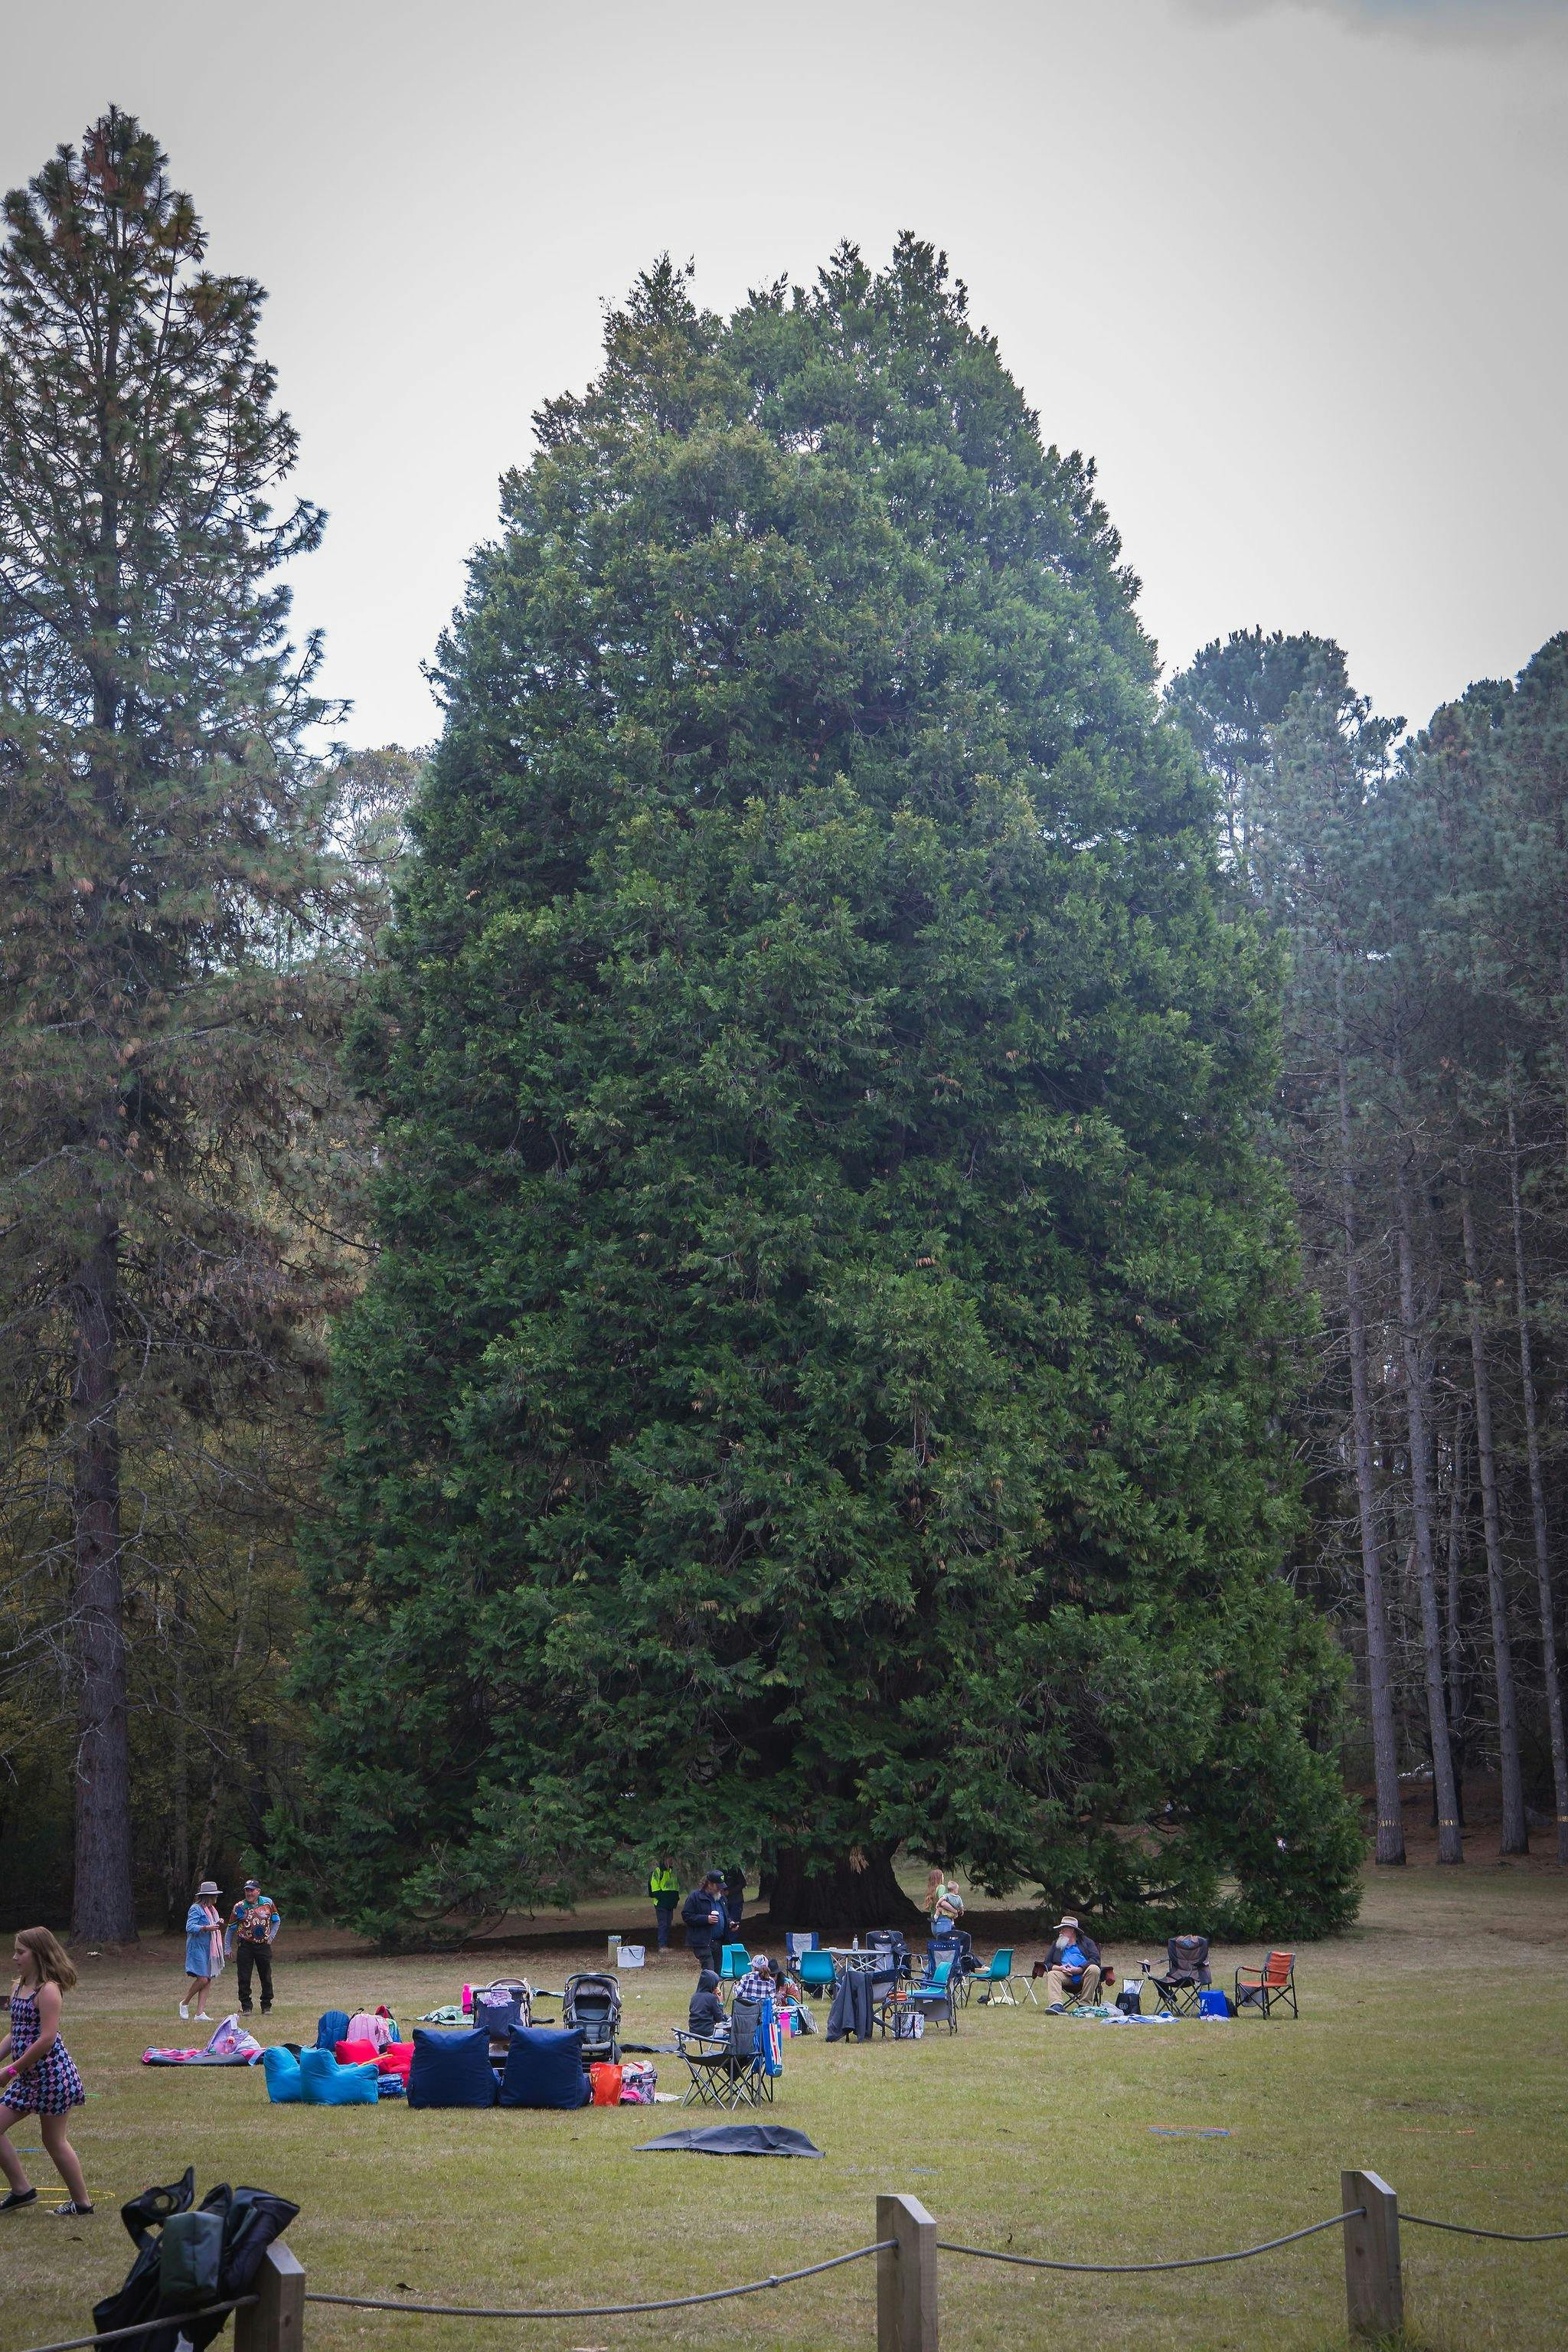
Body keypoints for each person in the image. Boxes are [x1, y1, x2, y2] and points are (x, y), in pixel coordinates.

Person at [1, 1926, 92, 2216]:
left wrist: (10, 2070)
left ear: (38, 1955)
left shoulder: (48, 1990)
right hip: (28, 2077)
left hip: (52, 2076)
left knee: (53, 2141)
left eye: (20, 1952)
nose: (15, 1957)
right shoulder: (18, 1986)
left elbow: (46, 2038)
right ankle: (22, 2191)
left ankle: (82, 2205)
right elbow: (16, 2032)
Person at [225, 1879, 280, 2016]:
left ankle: (266, 2005)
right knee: (244, 1976)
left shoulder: (268, 1903)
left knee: (266, 1975)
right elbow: (231, 1928)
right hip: (245, 1945)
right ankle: (246, 2006)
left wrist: (271, 1937)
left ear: (258, 1891)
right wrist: (227, 1947)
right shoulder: (239, 1907)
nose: (249, 1893)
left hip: (263, 1945)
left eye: (251, 1890)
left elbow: (276, 1920)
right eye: (246, 1890)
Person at [1042, 1913, 1106, 2011]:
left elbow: (1096, 1960)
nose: (1060, 1932)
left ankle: (1084, 2006)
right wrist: (1060, 1968)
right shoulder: (1057, 1944)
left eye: (1063, 1929)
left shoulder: (1087, 1942)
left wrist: (1078, 1969)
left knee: (1094, 1969)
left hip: (1084, 1976)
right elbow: (1047, 1963)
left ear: (1072, 1930)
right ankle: (1057, 2006)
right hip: (1066, 1977)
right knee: (1052, 1974)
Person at [181, 1880, 224, 2020]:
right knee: (203, 1979)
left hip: (209, 1948)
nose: (216, 1897)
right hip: (197, 1947)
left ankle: (200, 2013)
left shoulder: (212, 1910)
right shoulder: (196, 1909)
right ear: (208, 1896)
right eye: (214, 1895)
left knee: (208, 1978)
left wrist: (218, 1924)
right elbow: (190, 1927)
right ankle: (185, 2002)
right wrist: (206, 1928)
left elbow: (211, 1925)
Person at [681, 1872, 727, 1971]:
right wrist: (706, 1919)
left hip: (718, 1942)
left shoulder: (721, 1898)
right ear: (709, 1884)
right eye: (718, 1886)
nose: (720, 1889)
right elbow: (686, 1916)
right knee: (709, 1971)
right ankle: (707, 1987)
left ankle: (711, 1988)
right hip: (703, 1942)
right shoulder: (695, 1897)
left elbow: (725, 1915)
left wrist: (730, 1923)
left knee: (717, 1974)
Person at [648, 1858, 680, 1953]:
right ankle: (662, 1946)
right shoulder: (658, 1871)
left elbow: (675, 1886)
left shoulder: (673, 1871)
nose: (672, 1860)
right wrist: (664, 1898)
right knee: (663, 1924)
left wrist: (675, 1898)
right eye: (670, 1858)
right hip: (661, 1903)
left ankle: (666, 1944)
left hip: (670, 1903)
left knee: (668, 1924)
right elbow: (655, 1888)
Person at [687, 1968, 726, 2040]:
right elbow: (719, 2018)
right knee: (729, 2031)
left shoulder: (694, 1996)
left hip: (693, 2031)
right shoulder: (712, 1998)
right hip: (707, 2033)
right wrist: (720, 2002)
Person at [923, 1867, 964, 1932]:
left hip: (934, 1924)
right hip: (943, 1922)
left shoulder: (931, 1891)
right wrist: (955, 1911)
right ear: (939, 1878)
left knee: (939, 1941)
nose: (943, 1878)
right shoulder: (941, 1887)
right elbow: (942, 1903)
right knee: (946, 1941)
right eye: (942, 1876)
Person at [722, 1866, 746, 1945]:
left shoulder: (735, 1869)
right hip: (724, 1901)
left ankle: (733, 1943)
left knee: (735, 1922)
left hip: (736, 1900)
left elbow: (743, 1883)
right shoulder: (720, 1869)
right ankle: (725, 1943)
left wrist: (730, 1892)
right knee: (725, 1921)